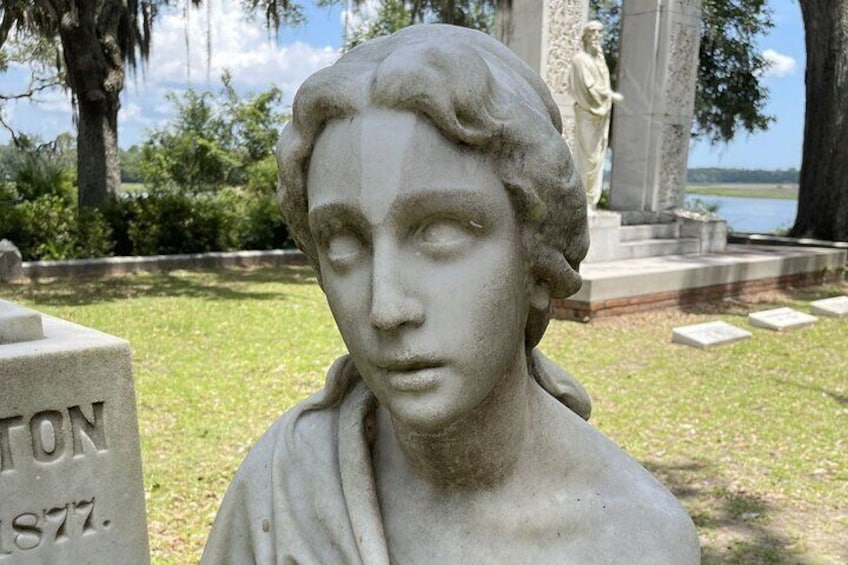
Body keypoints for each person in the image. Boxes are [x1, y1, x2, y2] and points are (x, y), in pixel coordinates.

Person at [201, 24, 698, 564]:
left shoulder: (637, 542)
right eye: (344, 243)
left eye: (440, 232)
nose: (386, 308)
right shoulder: (281, 487)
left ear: (536, 258)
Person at [570, 20, 623, 212]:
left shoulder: (598, 61)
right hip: (586, 114)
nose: (596, 38)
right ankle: (581, 201)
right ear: (586, 36)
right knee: (587, 158)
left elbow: (601, 82)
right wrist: (610, 95)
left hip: (600, 115)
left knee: (597, 158)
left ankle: (591, 201)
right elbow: (590, 86)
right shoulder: (580, 60)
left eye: (599, 34)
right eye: (593, 34)